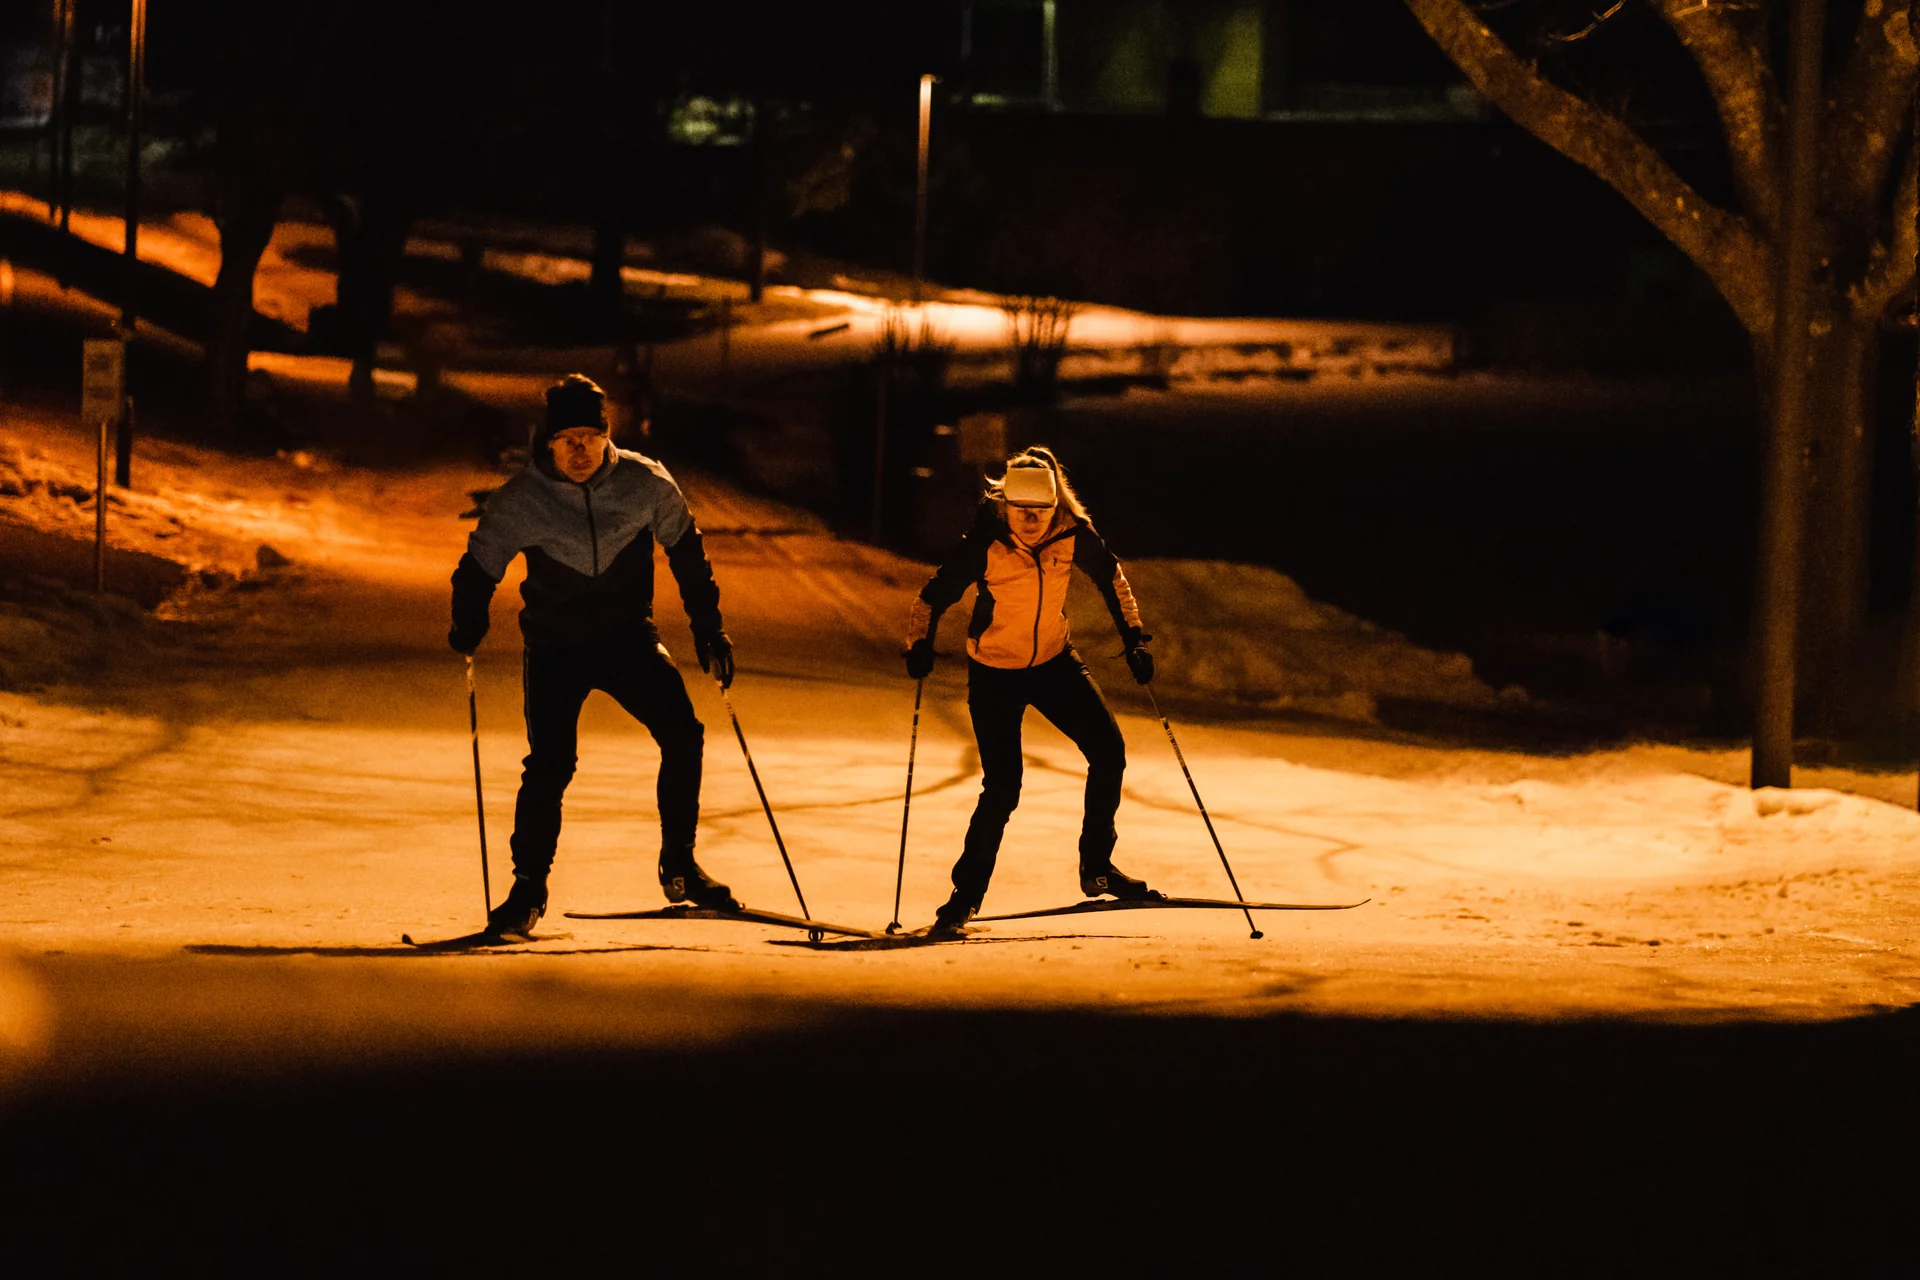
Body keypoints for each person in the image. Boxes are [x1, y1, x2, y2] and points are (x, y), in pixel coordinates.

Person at [449, 374, 737, 938]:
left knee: (684, 733)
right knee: (551, 766)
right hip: (555, 645)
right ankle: (527, 888)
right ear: (548, 442)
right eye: (567, 439)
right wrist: (469, 619)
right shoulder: (521, 499)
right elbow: (478, 565)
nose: (579, 449)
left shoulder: (645, 482)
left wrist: (709, 626)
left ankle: (678, 862)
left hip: (626, 636)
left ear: (608, 436)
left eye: (590, 435)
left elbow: (687, 551)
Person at [904, 446, 1159, 934]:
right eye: (1021, 512)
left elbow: (1112, 578)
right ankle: (964, 898)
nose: (1030, 521)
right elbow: (933, 595)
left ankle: (1097, 867)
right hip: (994, 671)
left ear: (1054, 505)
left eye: (1040, 512)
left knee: (1108, 751)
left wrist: (1134, 639)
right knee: (1003, 787)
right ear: (1004, 504)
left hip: (1053, 662)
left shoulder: (1071, 533)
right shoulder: (987, 540)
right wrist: (919, 643)